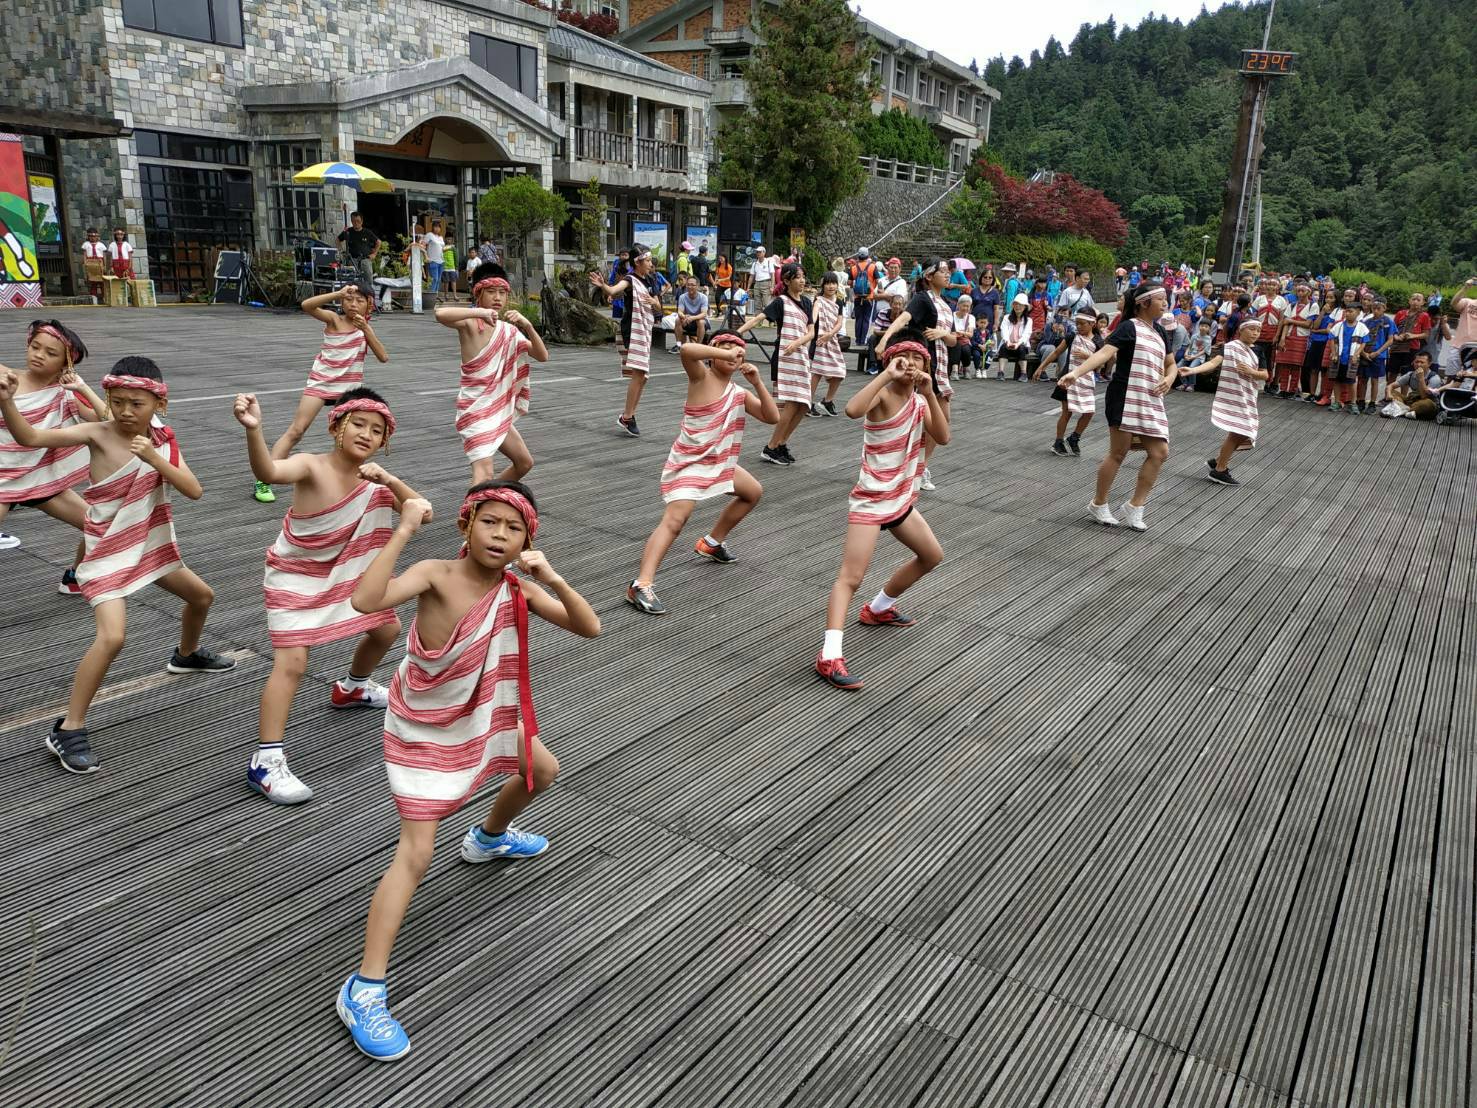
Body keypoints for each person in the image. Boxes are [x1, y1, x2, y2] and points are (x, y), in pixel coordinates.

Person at [337, 480, 599, 1061]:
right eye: (490, 522)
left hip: (482, 712)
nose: (500, 535)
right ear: (465, 525)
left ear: (528, 539)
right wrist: (403, 528)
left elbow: (589, 627)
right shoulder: (433, 573)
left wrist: (550, 577)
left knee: (541, 769)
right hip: (424, 726)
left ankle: (487, 839)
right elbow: (365, 599)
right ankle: (364, 988)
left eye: (514, 528)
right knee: (417, 851)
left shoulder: (519, 590)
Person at [0, 357, 234, 774]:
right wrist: (6, 403)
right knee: (113, 638)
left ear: (158, 404)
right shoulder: (97, 433)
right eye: (119, 401)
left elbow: (194, 490)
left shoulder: (162, 439)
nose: (127, 411)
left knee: (202, 596)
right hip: (107, 551)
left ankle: (187, 653)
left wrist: (156, 459)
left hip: (148, 544)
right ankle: (68, 728)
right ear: (109, 398)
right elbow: (31, 436)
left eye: (137, 404)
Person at [235, 388, 420, 804]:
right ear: (336, 425)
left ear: (384, 441)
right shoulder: (311, 466)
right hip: (294, 576)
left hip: (347, 574)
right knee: (293, 663)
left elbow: (422, 511)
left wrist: (389, 480)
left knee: (387, 629)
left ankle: (353, 687)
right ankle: (265, 760)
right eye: (358, 424)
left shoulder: (375, 481)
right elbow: (268, 468)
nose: (366, 434)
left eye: (377, 431)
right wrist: (254, 430)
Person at [815, 329, 948, 692]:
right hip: (872, 499)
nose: (911, 364)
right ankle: (829, 655)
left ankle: (878, 607)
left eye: (918, 359)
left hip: (900, 498)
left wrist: (930, 391)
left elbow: (943, 435)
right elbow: (852, 409)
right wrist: (887, 375)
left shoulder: (921, 401)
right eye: (902, 358)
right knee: (850, 577)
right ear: (889, 362)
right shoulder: (884, 394)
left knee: (931, 555)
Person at [625, 334, 779, 615]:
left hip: (719, 462)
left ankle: (712, 542)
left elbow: (772, 418)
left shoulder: (739, 393)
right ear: (712, 354)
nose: (734, 354)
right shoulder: (701, 377)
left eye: (739, 352)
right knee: (675, 520)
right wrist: (722, 352)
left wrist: (757, 381)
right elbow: (686, 349)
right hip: (690, 462)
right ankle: (641, 584)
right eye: (726, 348)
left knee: (752, 492)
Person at [1058, 281, 1182, 532]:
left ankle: (1135, 506)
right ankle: (1099, 503)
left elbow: (1172, 364)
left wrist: (1169, 378)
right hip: (1125, 395)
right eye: (1161, 299)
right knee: (1118, 452)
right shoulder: (1128, 327)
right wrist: (1077, 373)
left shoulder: (1160, 331)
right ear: (1144, 303)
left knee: (1160, 452)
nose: (1165, 304)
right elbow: (1104, 354)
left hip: (1151, 398)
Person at [254, 281, 388, 503]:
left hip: (348, 389)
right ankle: (264, 478)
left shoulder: (365, 328)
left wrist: (366, 329)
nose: (353, 304)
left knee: (348, 434)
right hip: (321, 382)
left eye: (359, 300)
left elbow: (383, 357)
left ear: (369, 305)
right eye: (348, 299)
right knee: (297, 430)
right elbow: (307, 305)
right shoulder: (334, 319)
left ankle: (344, 479)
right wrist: (338, 292)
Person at [0, 321, 104, 594]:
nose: (38, 355)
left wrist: (82, 388)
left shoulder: (65, 393)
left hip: (42, 479)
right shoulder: (6, 377)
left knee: (99, 526)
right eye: (35, 347)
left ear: (66, 363)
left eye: (50, 352)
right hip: (2, 481)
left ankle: (75, 577)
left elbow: (111, 421)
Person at [433, 262, 544, 485]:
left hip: (497, 410)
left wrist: (528, 326)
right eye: (491, 292)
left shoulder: (509, 330)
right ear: (479, 294)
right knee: (484, 472)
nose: (498, 298)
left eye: (502, 292)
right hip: (475, 410)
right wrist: (480, 312)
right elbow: (440, 313)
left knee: (524, 463)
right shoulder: (470, 324)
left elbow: (542, 356)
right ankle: (475, 512)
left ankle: (486, 498)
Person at [877, 258, 958, 492]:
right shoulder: (923, 299)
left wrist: (943, 332)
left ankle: (920, 467)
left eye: (947, 271)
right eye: (942, 271)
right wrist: (884, 339)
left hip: (940, 369)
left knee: (941, 420)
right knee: (926, 420)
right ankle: (912, 467)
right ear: (929, 276)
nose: (947, 274)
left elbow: (954, 340)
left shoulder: (946, 303)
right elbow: (903, 319)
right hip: (924, 369)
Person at [736, 262, 814, 466]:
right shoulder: (781, 302)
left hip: (800, 357)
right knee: (790, 404)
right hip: (784, 359)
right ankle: (771, 447)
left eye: (803, 276)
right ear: (787, 281)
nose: (802, 280)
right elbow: (758, 319)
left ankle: (781, 443)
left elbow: (812, 332)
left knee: (804, 405)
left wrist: (797, 343)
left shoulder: (807, 302)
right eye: (798, 277)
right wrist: (735, 334)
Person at [590, 244, 662, 437]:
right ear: (637, 263)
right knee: (639, 374)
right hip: (632, 330)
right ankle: (627, 416)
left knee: (643, 377)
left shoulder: (651, 280)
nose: (650, 263)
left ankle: (629, 415)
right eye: (647, 260)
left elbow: (657, 308)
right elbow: (614, 291)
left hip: (645, 330)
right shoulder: (630, 279)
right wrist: (603, 285)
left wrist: (655, 303)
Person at [1207, 317, 1267, 485]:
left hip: (1248, 396)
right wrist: (1192, 370)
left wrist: (1251, 371)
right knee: (1238, 432)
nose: (1255, 333)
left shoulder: (1259, 350)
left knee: (1241, 432)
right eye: (1251, 329)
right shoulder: (1230, 347)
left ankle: (1219, 461)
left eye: (1258, 330)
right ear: (1241, 330)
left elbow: (1265, 375)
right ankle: (1219, 470)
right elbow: (1213, 363)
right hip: (1232, 395)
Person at [1045, 309, 1100, 456]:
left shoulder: (1098, 341)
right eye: (1077, 324)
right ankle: (1058, 441)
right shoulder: (1072, 336)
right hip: (1067, 379)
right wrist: (1041, 366)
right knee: (1067, 412)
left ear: (1092, 324)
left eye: (1082, 324)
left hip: (1086, 382)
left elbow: (1101, 364)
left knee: (1089, 412)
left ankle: (1074, 437)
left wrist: (1088, 355)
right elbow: (1057, 352)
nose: (1079, 327)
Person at [862, 257, 909, 373]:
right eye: (891, 267)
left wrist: (884, 295)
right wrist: (888, 296)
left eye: (895, 268)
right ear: (887, 268)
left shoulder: (901, 282)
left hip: (896, 316)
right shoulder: (882, 280)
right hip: (881, 314)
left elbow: (899, 299)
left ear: (899, 269)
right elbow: (875, 296)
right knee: (873, 338)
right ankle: (874, 365)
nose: (893, 270)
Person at [809, 273, 847, 415]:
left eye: (833, 283)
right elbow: (813, 316)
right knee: (816, 373)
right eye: (828, 283)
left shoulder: (839, 301)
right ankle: (808, 403)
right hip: (818, 340)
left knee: (840, 372)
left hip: (831, 340)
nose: (831, 286)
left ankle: (827, 400)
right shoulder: (818, 301)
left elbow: (839, 322)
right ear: (823, 285)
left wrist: (830, 334)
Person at [1318, 304, 1368, 410]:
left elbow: (1364, 342)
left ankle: (1353, 403)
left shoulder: (1361, 327)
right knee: (1337, 380)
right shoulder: (1339, 325)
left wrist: (1356, 354)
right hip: (1339, 357)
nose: (1348, 314)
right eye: (1347, 311)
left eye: (1351, 311)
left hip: (1352, 358)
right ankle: (1337, 401)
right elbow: (1332, 338)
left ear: (1358, 312)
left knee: (1351, 380)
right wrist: (1334, 353)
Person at [1272, 282, 1316, 396]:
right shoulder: (1292, 305)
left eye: (1303, 291)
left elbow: (1308, 324)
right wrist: (1282, 338)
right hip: (1289, 337)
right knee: (1285, 363)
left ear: (1309, 292)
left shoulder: (1313, 305)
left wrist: (1291, 321)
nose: (1300, 293)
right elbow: (1285, 323)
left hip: (1302, 338)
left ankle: (1292, 390)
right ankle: (1283, 389)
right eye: (1298, 291)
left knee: (1296, 365)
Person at [1358, 297, 1397, 413]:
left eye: (1378, 308)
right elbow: (1360, 338)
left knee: (1374, 380)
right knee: (1363, 379)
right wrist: (1363, 353)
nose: (1375, 311)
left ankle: (1372, 403)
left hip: (1378, 355)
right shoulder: (1366, 321)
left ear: (1384, 308)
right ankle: (1360, 401)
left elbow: (1390, 340)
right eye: (1374, 308)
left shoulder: (1388, 321)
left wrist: (1378, 352)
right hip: (1365, 353)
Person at [1388, 350, 1446, 419]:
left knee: (1427, 404)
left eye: (1422, 362)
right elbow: (1390, 386)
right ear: (1413, 363)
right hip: (1412, 401)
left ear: (1429, 364)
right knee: (1392, 392)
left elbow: (1424, 396)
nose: (1419, 365)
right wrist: (1389, 395)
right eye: (1417, 362)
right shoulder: (1410, 374)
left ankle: (1401, 410)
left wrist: (1421, 379)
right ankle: (1407, 411)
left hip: (1427, 402)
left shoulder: (1434, 378)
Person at [1390, 292, 1432, 382]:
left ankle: (1403, 396)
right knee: (1392, 373)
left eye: (1418, 300)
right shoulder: (1400, 313)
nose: (1415, 302)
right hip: (1397, 347)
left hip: (1412, 348)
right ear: (1409, 301)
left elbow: (1426, 334)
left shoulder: (1424, 316)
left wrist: (1413, 336)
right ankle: (1388, 394)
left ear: (1423, 302)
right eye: (1413, 299)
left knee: (1407, 375)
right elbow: (1392, 330)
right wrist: (1396, 337)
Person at [336, 212, 380, 284]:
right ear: (351, 221)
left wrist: (374, 254)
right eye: (354, 221)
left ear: (362, 221)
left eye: (358, 221)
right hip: (352, 260)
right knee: (352, 281)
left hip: (365, 260)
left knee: (368, 281)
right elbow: (338, 239)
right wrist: (341, 251)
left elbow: (378, 242)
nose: (356, 223)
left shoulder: (367, 232)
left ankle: (369, 294)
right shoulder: (348, 232)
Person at [997, 293, 1033, 381]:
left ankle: (1024, 374)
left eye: (1020, 305)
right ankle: (1000, 372)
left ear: (1025, 307)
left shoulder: (1028, 320)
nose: (1018, 307)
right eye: (1016, 304)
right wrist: (1007, 341)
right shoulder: (1006, 318)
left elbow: (1026, 335)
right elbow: (1004, 331)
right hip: (1008, 343)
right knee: (1003, 348)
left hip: (1021, 344)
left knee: (1021, 349)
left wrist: (1018, 344)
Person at [848, 247, 879, 346]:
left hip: (857, 297)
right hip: (869, 297)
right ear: (867, 255)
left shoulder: (853, 268)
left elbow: (849, 283)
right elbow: (878, 281)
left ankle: (857, 340)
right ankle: (863, 340)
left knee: (858, 319)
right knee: (866, 319)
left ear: (858, 255)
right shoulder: (873, 267)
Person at [1178, 317, 1215, 391]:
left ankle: (1191, 385)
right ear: (1199, 326)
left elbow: (1204, 351)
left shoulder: (1208, 339)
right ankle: (1184, 383)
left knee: (1192, 367)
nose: (1203, 328)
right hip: (1190, 355)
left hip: (1199, 357)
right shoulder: (1194, 336)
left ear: (1209, 328)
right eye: (1202, 326)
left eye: (1206, 326)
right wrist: (1186, 353)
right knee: (1178, 366)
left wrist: (1194, 357)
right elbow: (1189, 346)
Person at [947, 294, 976, 381]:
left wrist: (962, 333)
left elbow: (970, 334)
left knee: (966, 349)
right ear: (958, 305)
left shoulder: (971, 317)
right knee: (956, 346)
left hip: (964, 340)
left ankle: (966, 368)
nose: (966, 308)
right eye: (964, 306)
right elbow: (948, 330)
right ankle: (954, 371)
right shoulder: (951, 315)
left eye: (968, 306)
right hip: (952, 340)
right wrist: (954, 334)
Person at [675, 275, 709, 347]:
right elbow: (680, 311)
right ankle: (678, 345)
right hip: (687, 320)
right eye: (688, 285)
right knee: (678, 320)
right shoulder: (682, 297)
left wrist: (692, 318)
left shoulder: (703, 297)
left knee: (700, 321)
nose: (690, 287)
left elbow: (704, 314)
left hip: (700, 322)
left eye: (692, 285)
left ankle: (698, 346)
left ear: (697, 286)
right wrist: (684, 316)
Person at [81, 228, 106, 303]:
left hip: (99, 262)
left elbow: (104, 255)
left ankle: (104, 297)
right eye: (91, 236)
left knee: (102, 281)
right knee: (92, 281)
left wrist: (104, 265)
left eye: (94, 236)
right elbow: (85, 254)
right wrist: (85, 263)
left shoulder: (101, 245)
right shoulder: (86, 244)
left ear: (97, 236)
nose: (93, 238)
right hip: (90, 262)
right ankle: (94, 298)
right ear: (88, 236)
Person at [750, 246, 776, 312]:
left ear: (764, 253)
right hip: (757, 284)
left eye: (760, 252)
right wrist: (748, 287)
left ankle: (771, 321)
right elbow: (751, 276)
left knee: (767, 304)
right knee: (757, 305)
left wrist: (772, 287)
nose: (758, 253)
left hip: (766, 283)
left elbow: (772, 275)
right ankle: (759, 322)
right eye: (757, 252)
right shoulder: (754, 264)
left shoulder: (769, 262)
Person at [441, 235, 460, 302]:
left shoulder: (454, 248)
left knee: (453, 282)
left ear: (452, 240)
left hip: (452, 268)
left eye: (450, 239)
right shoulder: (442, 248)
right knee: (446, 282)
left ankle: (455, 295)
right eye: (447, 239)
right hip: (444, 268)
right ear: (445, 240)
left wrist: (457, 268)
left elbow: (456, 258)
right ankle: (446, 295)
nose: (448, 240)